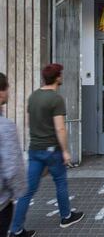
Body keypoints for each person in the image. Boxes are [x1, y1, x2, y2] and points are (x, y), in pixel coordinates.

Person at [9, 64, 84, 237]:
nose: (62, 77)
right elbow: (60, 129)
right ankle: (66, 216)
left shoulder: (33, 96)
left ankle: (16, 229)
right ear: (57, 77)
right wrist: (65, 151)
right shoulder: (55, 99)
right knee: (60, 183)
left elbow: (29, 123)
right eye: (61, 75)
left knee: (28, 190)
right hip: (52, 151)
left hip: (35, 149)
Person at [0, 73, 27, 237]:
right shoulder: (5, 127)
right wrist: (19, 193)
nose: (9, 91)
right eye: (7, 87)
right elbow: (13, 169)